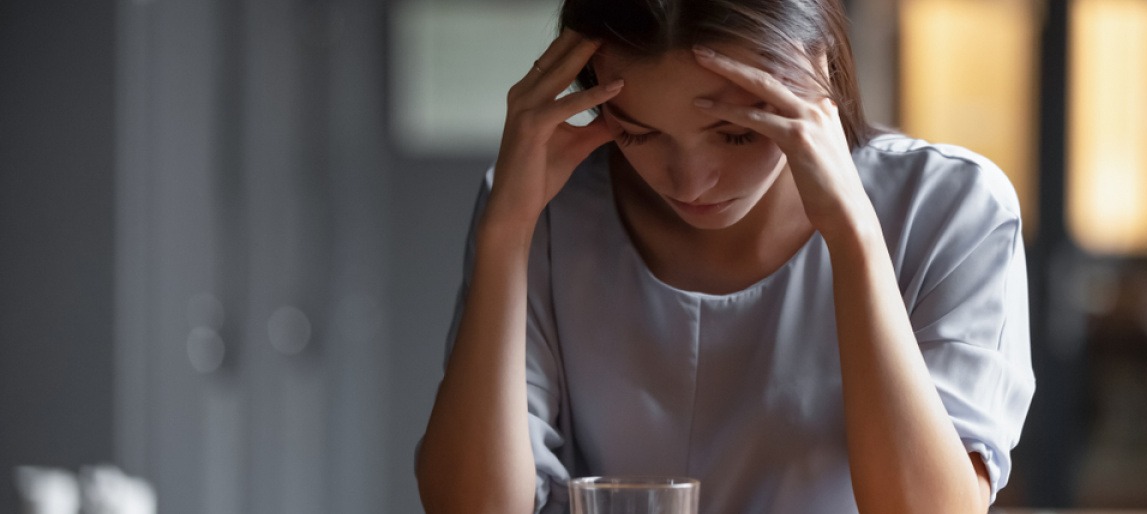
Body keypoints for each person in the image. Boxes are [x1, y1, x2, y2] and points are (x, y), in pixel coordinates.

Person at [415, 0, 1035, 512]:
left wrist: (853, 235)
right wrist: (507, 232)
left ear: (813, 69)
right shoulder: (548, 209)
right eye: (636, 132)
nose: (689, 182)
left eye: (736, 132)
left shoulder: (949, 207)